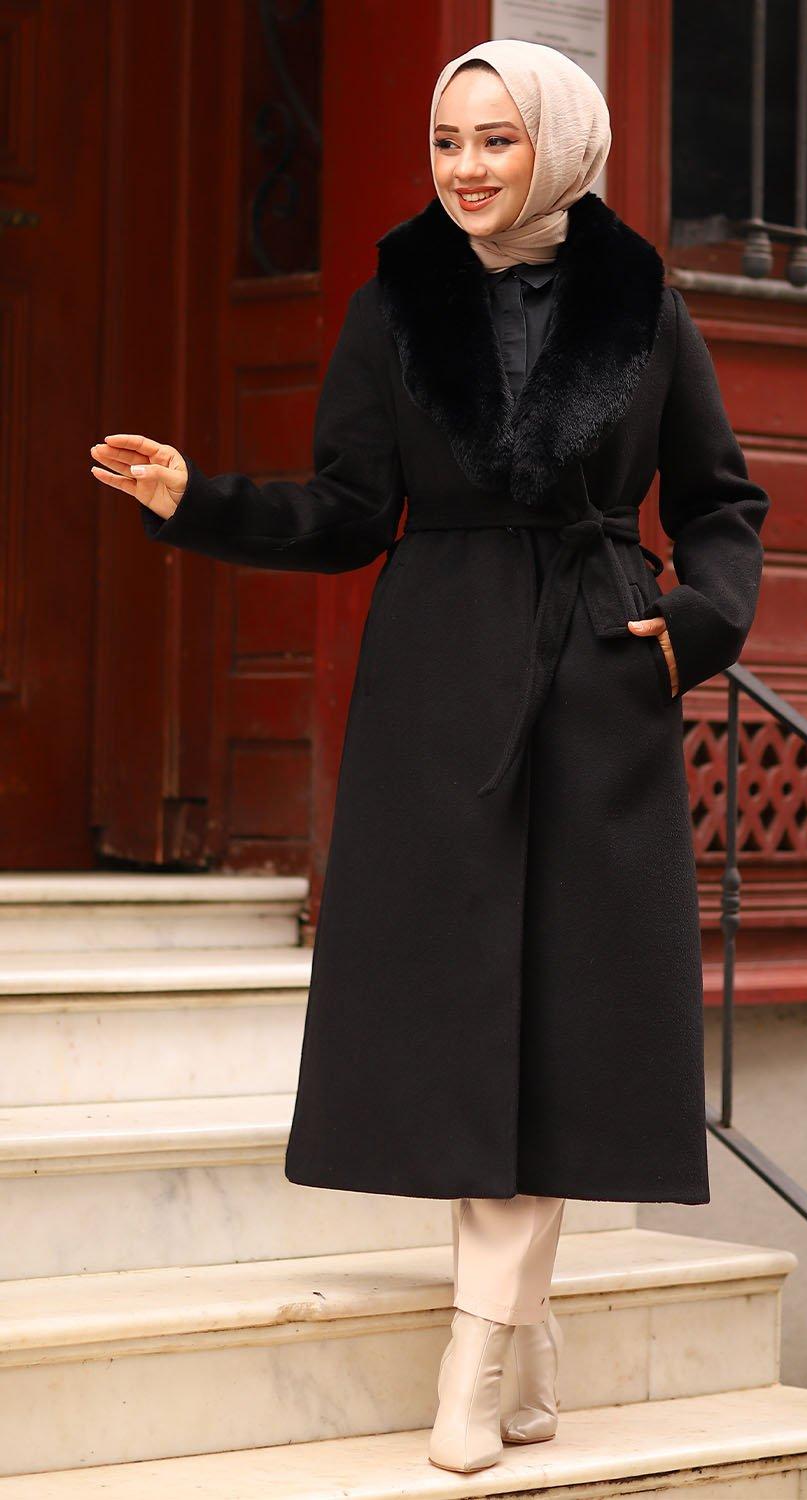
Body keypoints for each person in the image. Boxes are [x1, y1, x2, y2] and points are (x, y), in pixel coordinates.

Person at [89, 37, 769, 1479]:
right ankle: (521, 1331)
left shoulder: (646, 307)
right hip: (439, 688)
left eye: (496, 140)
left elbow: (721, 500)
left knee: (565, 1023)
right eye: (447, 140)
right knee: (469, 1025)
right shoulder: (394, 302)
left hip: (598, 680)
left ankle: (475, 1356)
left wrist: (694, 627)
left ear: (560, 148)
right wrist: (199, 500)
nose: (465, 168)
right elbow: (348, 510)